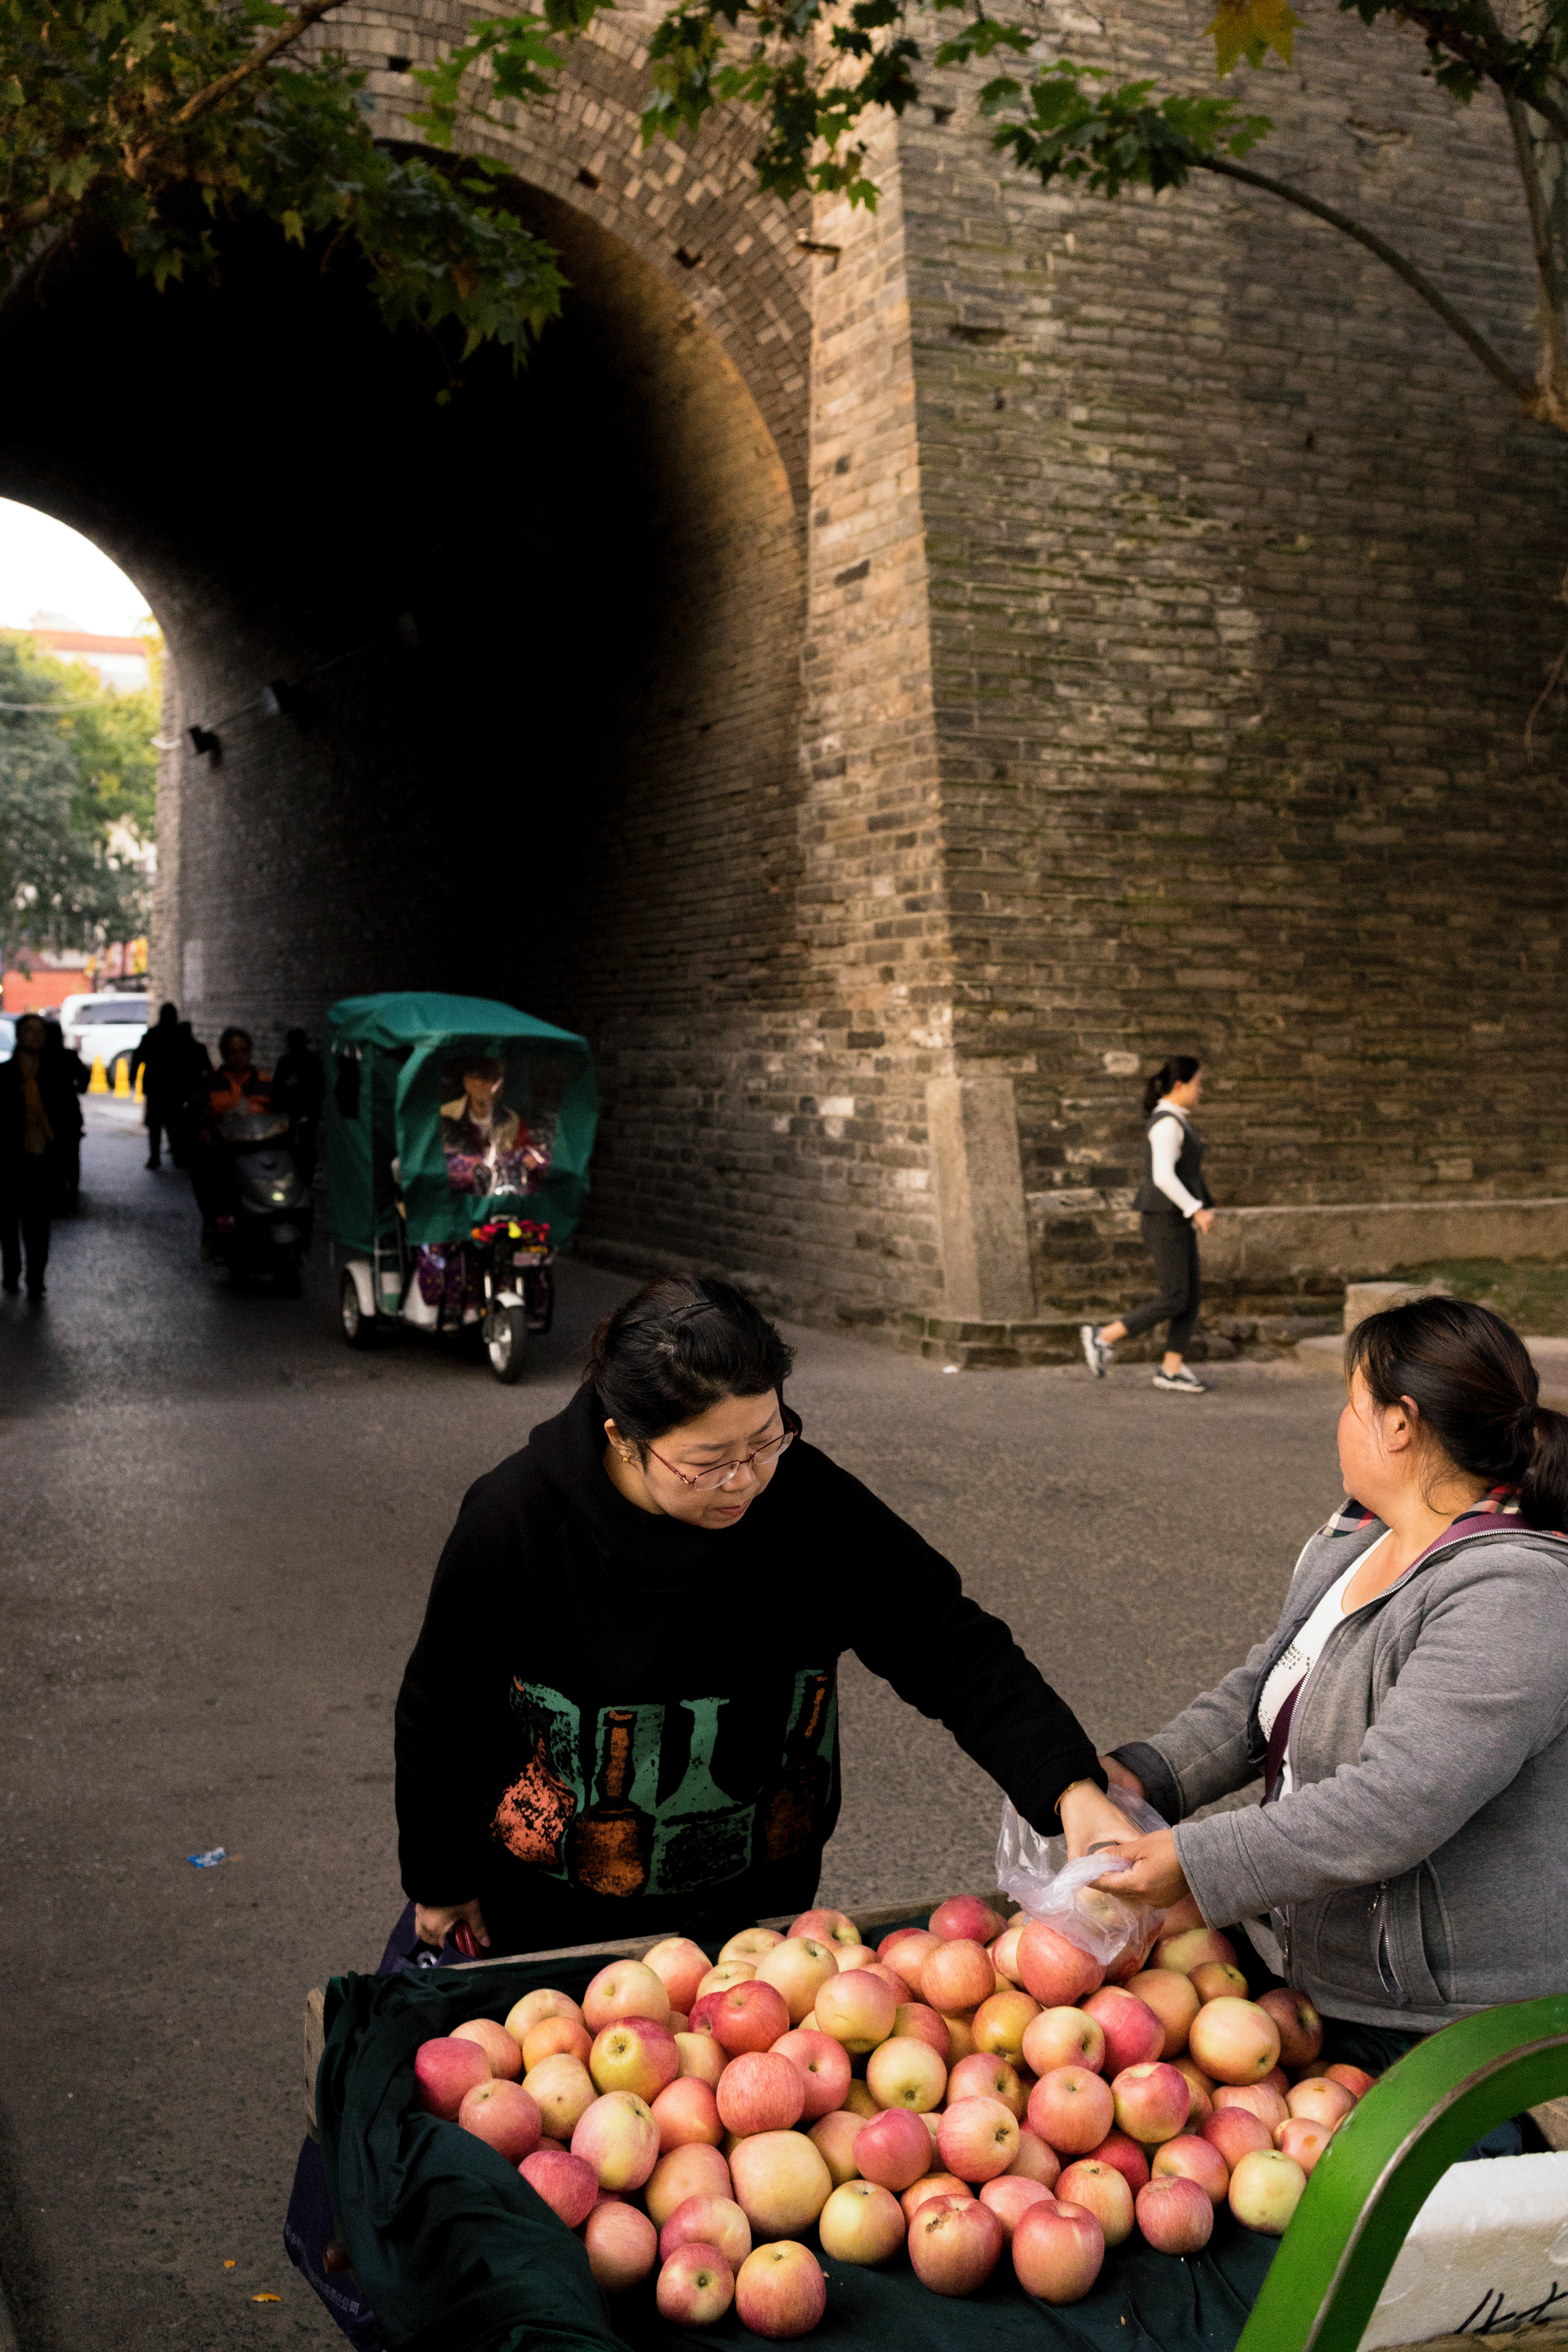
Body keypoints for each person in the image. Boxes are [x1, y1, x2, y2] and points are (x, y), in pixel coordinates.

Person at [395, 1274, 1133, 1958]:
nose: (744, 1480)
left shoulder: (809, 1507)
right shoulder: (519, 1521)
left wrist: (1069, 1788)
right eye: (710, 1460)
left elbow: (949, 1645)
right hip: (551, 1920)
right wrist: (438, 1877)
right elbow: (442, 1706)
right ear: (624, 1438)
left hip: (759, 1923)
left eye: (766, 1440)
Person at [1092, 1295, 1568, 2117]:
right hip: (1312, 1985)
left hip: (1441, 2031)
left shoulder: (1514, 1593)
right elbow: (1267, 1690)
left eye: (1352, 1405)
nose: (1341, 1426)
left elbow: (1395, 1804)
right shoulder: (1364, 1537)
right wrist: (1145, 1775)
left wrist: (1196, 1866)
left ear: (1400, 1425)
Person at [1082, 1054, 1215, 1396]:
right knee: (1175, 1297)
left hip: (1174, 1218)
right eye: (1198, 1084)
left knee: (1190, 1296)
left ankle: (1171, 1369)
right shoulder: (1167, 1123)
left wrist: (1198, 1207)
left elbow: (1184, 1173)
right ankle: (1103, 1337)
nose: (1202, 1091)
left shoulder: (1177, 1120)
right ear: (1179, 1086)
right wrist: (1196, 1209)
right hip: (1164, 1218)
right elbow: (1163, 1177)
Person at [0, 1012, 80, 1297]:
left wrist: (66, 1158)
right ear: (20, 1036)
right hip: (11, 1159)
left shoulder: (55, 1076)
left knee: (39, 1223)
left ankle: (36, 1278)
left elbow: (69, 1117)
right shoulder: (5, 1075)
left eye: (40, 1031)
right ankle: (11, 1272)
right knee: (8, 1223)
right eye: (30, 1030)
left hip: (43, 1159)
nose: (36, 1035)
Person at [191, 1028, 273, 1251]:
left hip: (259, 1151)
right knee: (203, 1174)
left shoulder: (266, 1082)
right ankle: (213, 1225)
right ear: (225, 1053)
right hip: (224, 1152)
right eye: (233, 1052)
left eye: (243, 1051)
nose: (239, 1057)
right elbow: (197, 1113)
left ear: (250, 1051)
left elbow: (282, 1114)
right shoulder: (210, 1082)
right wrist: (203, 1131)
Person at [438, 1055, 549, 1199]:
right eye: (481, 1078)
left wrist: (529, 1160)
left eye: (494, 1079)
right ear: (467, 1083)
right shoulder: (446, 1114)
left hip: (500, 1193)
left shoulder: (512, 1120)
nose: (488, 1085)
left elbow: (531, 1154)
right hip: (459, 1196)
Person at [132, 1001, 186, 1172]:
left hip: (155, 1086)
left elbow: (138, 1056)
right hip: (175, 1087)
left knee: (155, 1125)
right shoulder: (181, 1036)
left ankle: (155, 1158)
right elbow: (191, 1060)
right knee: (175, 1123)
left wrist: (133, 1077)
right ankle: (178, 1156)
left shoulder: (151, 1035)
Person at [40, 1019, 87, 1205]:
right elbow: (83, 1079)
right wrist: (78, 1088)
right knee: (71, 1149)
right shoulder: (68, 1056)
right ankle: (72, 1186)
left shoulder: (37, 1057)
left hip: (44, 1111)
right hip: (68, 1111)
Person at [273, 1027, 325, 1185]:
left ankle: (297, 1177)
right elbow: (320, 1088)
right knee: (305, 1146)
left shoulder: (288, 1061)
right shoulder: (312, 1061)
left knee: (297, 1145)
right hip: (302, 1110)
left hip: (296, 1109)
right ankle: (302, 1177)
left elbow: (278, 1087)